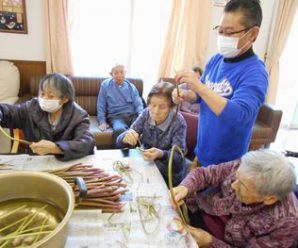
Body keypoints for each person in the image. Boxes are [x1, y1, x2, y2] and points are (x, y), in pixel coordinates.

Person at [172, 0, 268, 167]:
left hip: (227, 165)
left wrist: (199, 86)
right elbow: (203, 96)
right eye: (220, 31)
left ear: (252, 34)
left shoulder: (255, 72)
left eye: (229, 33)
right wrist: (190, 95)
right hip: (201, 154)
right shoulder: (216, 60)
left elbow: (240, 115)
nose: (223, 37)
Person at [172, 149, 298, 247]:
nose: (233, 185)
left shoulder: (286, 223)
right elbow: (206, 174)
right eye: (236, 178)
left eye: (243, 186)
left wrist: (210, 242)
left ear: (270, 199)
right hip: (199, 211)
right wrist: (185, 187)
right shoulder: (247, 167)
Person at [0, 73, 95, 161]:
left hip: (65, 164)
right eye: (42, 94)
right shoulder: (31, 107)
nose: (44, 99)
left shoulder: (79, 115)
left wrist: (57, 148)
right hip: (36, 162)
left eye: (51, 96)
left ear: (65, 99)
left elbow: (87, 143)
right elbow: (11, 113)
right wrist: (1, 112)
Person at [116, 82, 187, 186]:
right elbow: (120, 141)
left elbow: (178, 157)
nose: (156, 111)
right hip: (147, 165)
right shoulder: (146, 114)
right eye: (153, 105)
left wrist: (160, 154)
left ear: (171, 107)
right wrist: (125, 138)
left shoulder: (178, 122)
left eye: (162, 107)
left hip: (169, 175)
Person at [97, 64, 144, 142]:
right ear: (111, 74)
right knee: (119, 130)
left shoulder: (131, 86)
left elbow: (138, 103)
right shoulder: (105, 85)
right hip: (116, 117)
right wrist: (102, 121)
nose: (119, 75)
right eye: (116, 73)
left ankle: (139, 152)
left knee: (140, 129)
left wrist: (142, 117)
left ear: (125, 73)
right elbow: (101, 104)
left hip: (132, 115)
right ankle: (122, 153)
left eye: (122, 72)